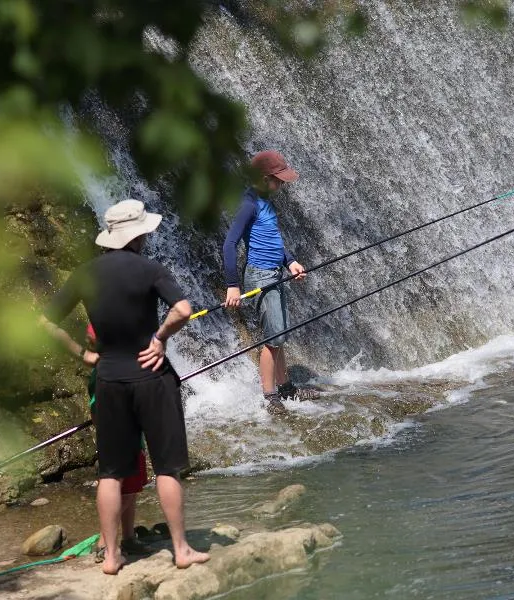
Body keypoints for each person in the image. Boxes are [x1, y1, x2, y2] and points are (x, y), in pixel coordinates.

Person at [40, 199, 209, 575]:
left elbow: (45, 322)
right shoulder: (150, 269)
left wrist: (82, 354)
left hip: (109, 376)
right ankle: (181, 549)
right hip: (151, 376)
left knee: (110, 473)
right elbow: (182, 310)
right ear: (139, 234)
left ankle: (113, 555)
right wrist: (160, 337)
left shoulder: (84, 273)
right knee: (167, 468)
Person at [222, 150, 319, 416]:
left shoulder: (266, 201)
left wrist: (290, 262)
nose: (283, 184)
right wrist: (233, 285)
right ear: (265, 178)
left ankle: (286, 388)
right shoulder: (249, 204)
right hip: (260, 276)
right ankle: (270, 396)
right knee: (272, 340)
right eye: (279, 180)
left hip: (276, 272)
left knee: (279, 336)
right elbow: (229, 244)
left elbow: (273, 240)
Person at [85, 323, 149, 563]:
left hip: (124, 437)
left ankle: (129, 537)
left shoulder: (104, 370)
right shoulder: (108, 373)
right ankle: (105, 540)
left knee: (131, 490)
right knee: (127, 492)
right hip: (123, 438)